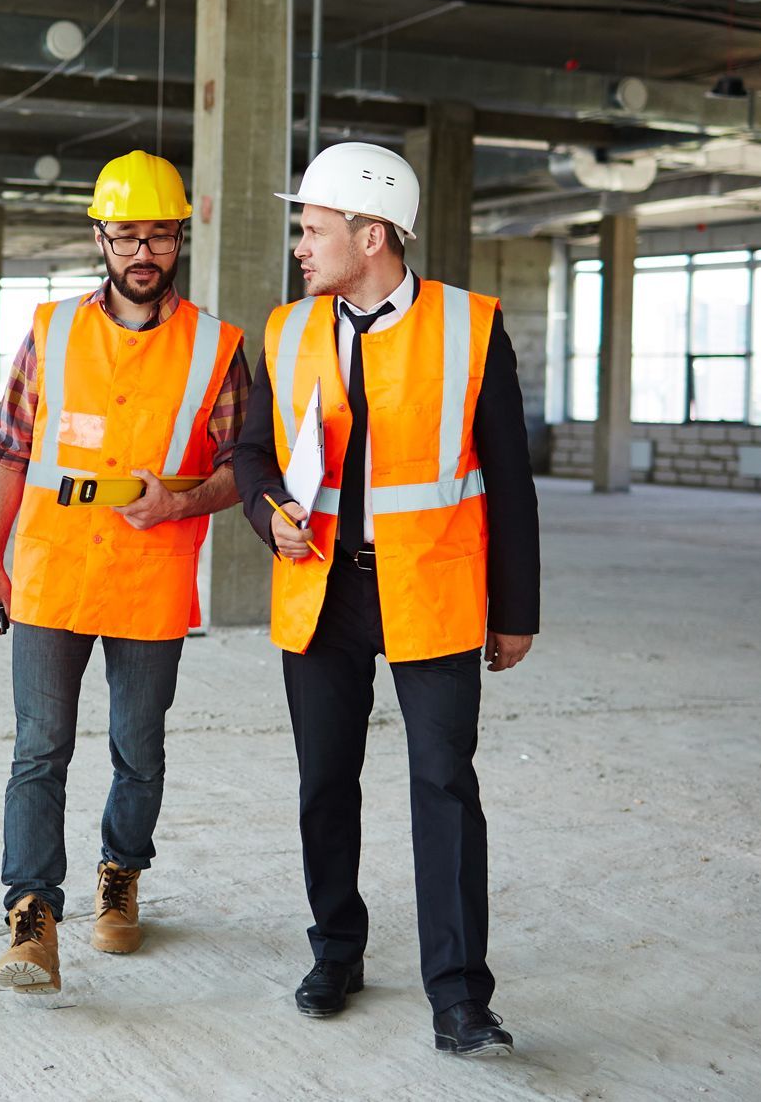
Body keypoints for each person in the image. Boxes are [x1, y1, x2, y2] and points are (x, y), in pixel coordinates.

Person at [230, 141, 539, 1057]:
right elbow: (253, 455)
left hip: (433, 591)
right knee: (326, 784)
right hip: (320, 595)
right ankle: (337, 949)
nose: (300, 244)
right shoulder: (287, 331)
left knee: (444, 788)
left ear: (372, 236)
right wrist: (269, 510)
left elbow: (512, 481)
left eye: (313, 228)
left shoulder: (472, 327)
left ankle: (459, 998)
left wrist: (515, 610)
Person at [0, 151, 250, 993]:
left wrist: (180, 504)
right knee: (40, 748)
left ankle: (121, 876)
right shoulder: (52, 332)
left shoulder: (216, 347)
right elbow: (11, 452)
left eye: (160, 235)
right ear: (99, 236)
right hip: (53, 570)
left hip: (151, 572)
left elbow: (248, 467)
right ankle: (32, 912)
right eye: (126, 233)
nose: (143, 252)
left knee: (138, 749)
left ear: (179, 240)